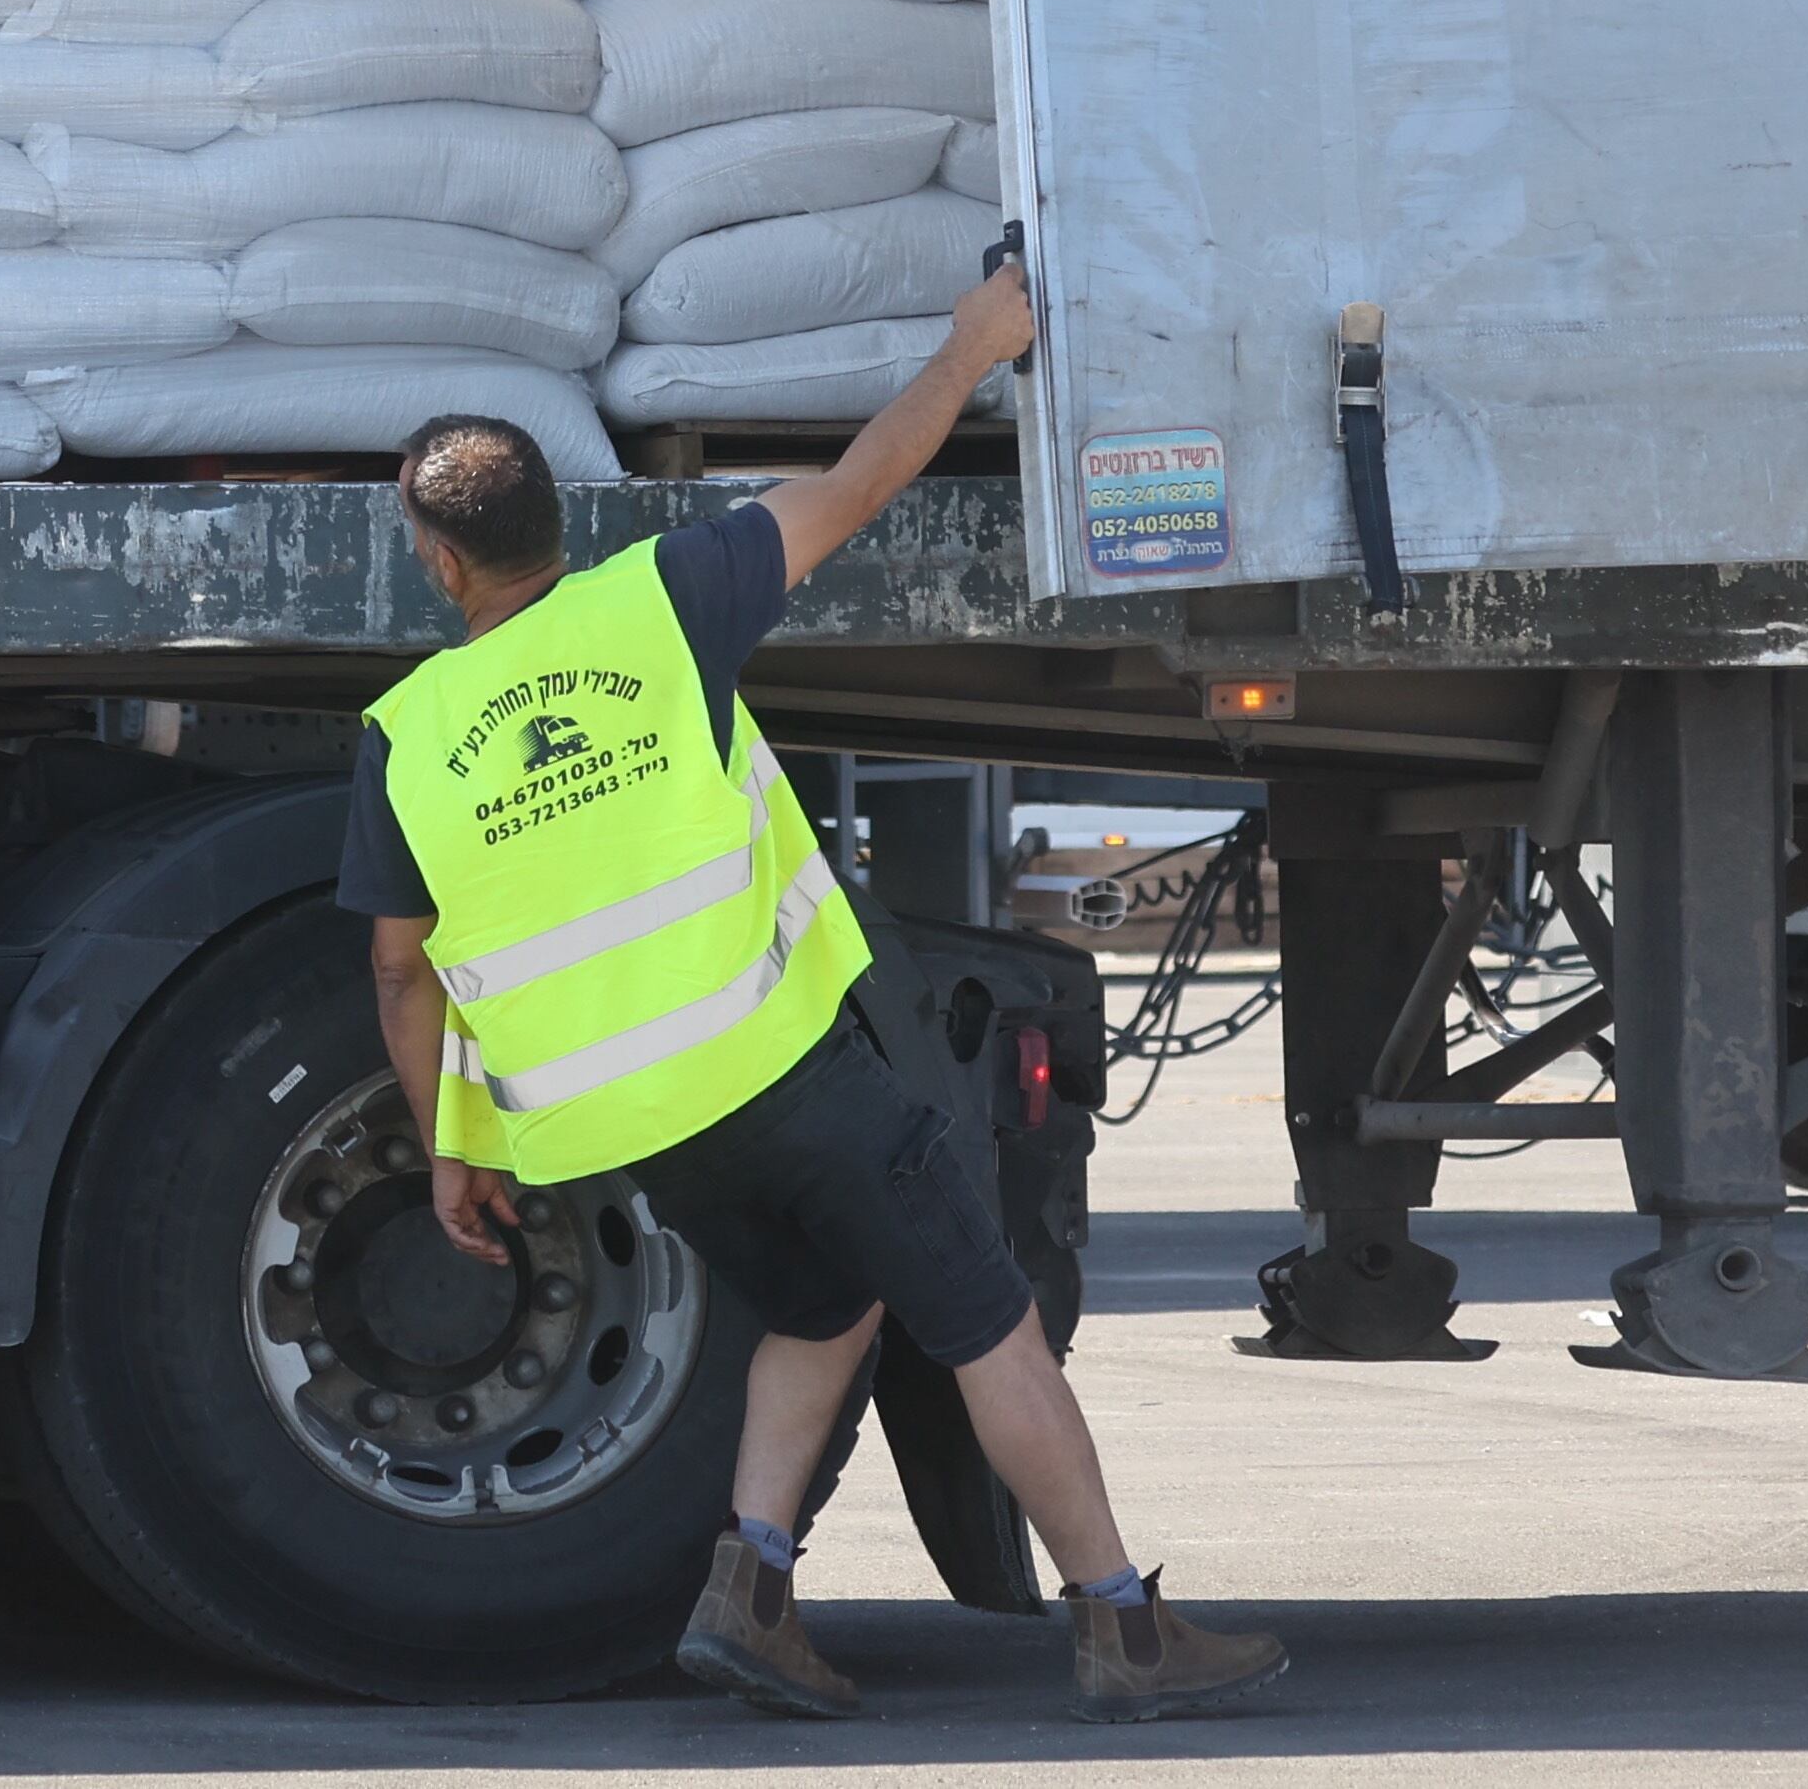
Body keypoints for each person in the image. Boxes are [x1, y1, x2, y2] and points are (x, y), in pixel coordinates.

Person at [339, 263, 1286, 1726]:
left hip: (638, 1126)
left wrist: (451, 1146)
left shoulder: (406, 736)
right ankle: (1123, 1627)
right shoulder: (666, 599)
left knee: (828, 1299)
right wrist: (971, 346)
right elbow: (863, 481)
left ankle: (754, 1594)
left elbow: (402, 967)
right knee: (988, 1321)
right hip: (787, 1070)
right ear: (556, 526)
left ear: (437, 559)